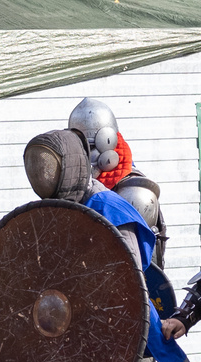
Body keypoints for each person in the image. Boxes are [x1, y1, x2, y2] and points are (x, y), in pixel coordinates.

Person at [19, 128, 179, 362]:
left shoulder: (109, 208)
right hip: (72, 326)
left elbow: (127, 281)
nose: (42, 176)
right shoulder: (58, 210)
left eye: (48, 167)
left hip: (117, 326)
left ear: (70, 166)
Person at [69, 98, 169, 268]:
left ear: (108, 140)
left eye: (90, 147)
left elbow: (142, 264)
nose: (85, 156)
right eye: (81, 148)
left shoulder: (134, 192)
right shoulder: (76, 187)